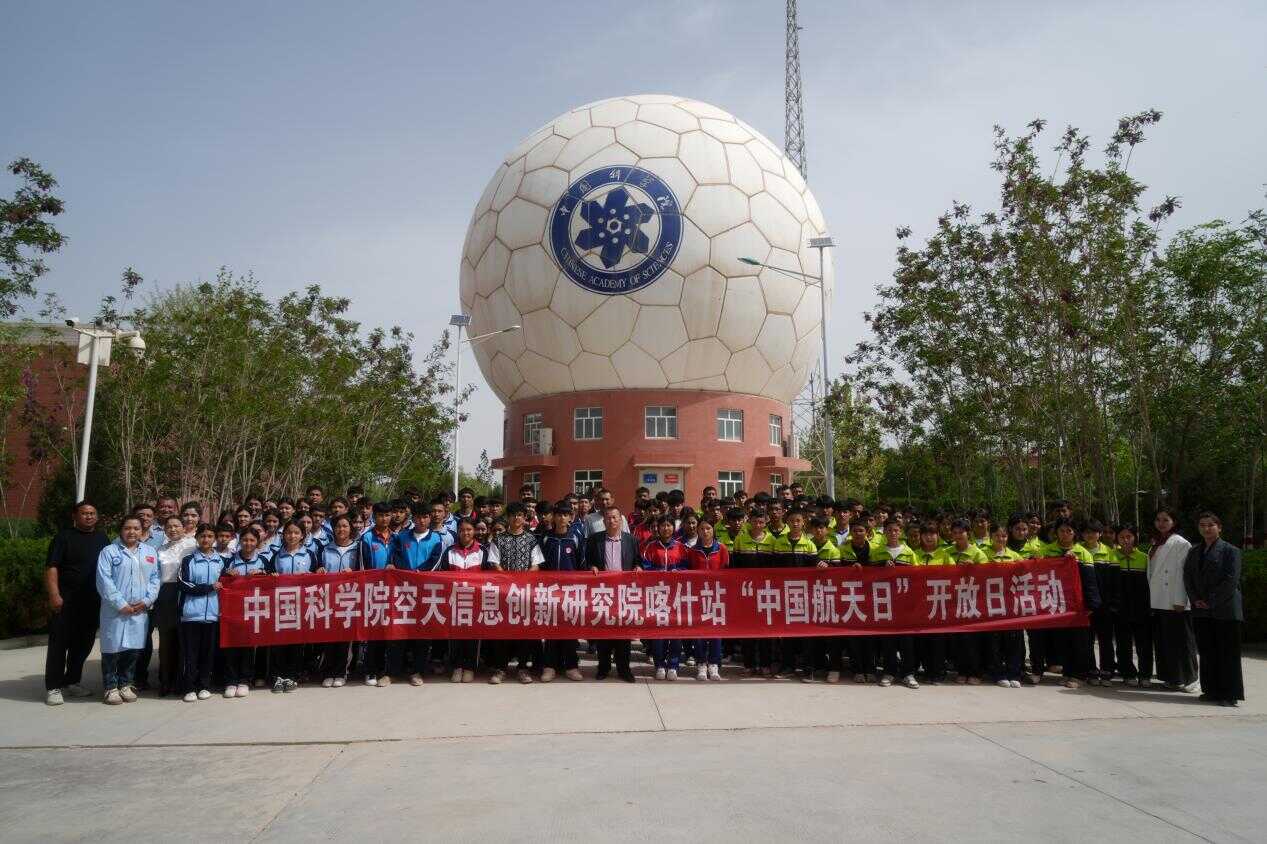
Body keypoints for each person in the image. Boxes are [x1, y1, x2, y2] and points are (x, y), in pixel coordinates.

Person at [44, 500, 109, 705]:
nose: (89, 516)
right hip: (66, 600)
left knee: (83, 643)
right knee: (59, 643)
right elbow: (52, 567)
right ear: (75, 516)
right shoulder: (63, 537)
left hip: (92, 601)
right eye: (84, 513)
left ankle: (72, 681)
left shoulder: (102, 538)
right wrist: (54, 594)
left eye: (92, 513)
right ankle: (53, 687)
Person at [95, 515, 160, 704]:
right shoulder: (109, 551)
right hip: (115, 610)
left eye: (136, 528)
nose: (132, 532)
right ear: (121, 530)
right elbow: (104, 580)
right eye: (127, 528)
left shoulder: (149, 551)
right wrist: (120, 604)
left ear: (142, 531)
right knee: (112, 650)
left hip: (140, 609)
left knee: (133, 650)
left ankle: (126, 684)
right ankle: (110, 687)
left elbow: (155, 579)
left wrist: (147, 601)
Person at [1184, 512, 1244, 707]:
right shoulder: (1194, 551)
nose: (1206, 528)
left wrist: (1211, 601)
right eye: (1202, 525)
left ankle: (1230, 694)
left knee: (1227, 653)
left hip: (1225, 609)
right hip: (1201, 609)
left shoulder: (1230, 551)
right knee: (1207, 652)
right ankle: (1211, 690)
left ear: (1219, 527)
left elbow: (1231, 580)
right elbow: (1188, 577)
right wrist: (1195, 599)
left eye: (1210, 525)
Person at [384, 505, 443, 686]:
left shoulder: (436, 539)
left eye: (425, 517)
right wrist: (406, 574)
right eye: (418, 517)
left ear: (429, 518)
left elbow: (435, 562)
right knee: (398, 631)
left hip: (426, 592)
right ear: (413, 518)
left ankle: (418, 672)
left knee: (422, 634)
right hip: (403, 591)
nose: (422, 520)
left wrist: (417, 573)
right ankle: (392, 672)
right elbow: (395, 558)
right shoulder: (401, 537)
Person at [138, 514, 193, 695]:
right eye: (169, 526)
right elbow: (153, 575)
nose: (173, 529)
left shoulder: (192, 546)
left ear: (184, 528)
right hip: (165, 595)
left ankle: (181, 681)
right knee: (166, 640)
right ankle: (165, 680)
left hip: (187, 593)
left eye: (176, 525)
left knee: (183, 640)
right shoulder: (160, 550)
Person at [490, 502, 544, 684]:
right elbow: (494, 563)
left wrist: (521, 581)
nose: (516, 518)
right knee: (502, 632)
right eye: (513, 515)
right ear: (508, 517)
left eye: (520, 514)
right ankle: (500, 669)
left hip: (524, 593)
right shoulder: (498, 539)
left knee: (524, 632)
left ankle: (522, 668)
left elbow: (536, 565)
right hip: (503, 594)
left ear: (524, 517)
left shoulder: (531, 539)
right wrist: (508, 581)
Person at [439, 518, 498, 682]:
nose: (466, 533)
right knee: (455, 636)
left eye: (469, 530)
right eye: (462, 530)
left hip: (476, 601)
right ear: (458, 532)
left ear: (474, 531)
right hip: (454, 601)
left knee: (473, 636)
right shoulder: (449, 551)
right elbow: (442, 576)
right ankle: (457, 666)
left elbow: (489, 577)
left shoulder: (483, 551)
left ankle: (470, 667)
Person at [585, 505, 638, 682]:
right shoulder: (594, 540)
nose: (611, 520)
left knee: (623, 633)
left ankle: (624, 669)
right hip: (603, 592)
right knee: (604, 633)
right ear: (604, 521)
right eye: (608, 518)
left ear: (621, 520)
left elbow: (637, 561)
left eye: (615, 517)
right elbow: (587, 561)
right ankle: (603, 667)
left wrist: (638, 567)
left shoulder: (631, 540)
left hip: (624, 593)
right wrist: (591, 567)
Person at [1148, 507, 1197, 691]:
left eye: (1165, 520)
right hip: (1158, 599)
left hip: (1174, 601)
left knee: (1183, 642)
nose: (1161, 523)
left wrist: (1181, 600)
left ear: (1174, 522)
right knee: (1165, 642)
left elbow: (1184, 573)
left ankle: (1191, 679)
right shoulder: (1156, 543)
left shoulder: (1181, 543)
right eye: (1158, 519)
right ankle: (1172, 677)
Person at [265, 520, 317, 692]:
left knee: (297, 642)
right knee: (278, 641)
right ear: (283, 535)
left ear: (302, 535)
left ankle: (292, 675)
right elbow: (268, 579)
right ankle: (278, 676)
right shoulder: (277, 556)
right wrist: (271, 577)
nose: (292, 536)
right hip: (281, 605)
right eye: (288, 532)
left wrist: (314, 574)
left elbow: (318, 578)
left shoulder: (309, 555)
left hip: (302, 605)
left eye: (296, 533)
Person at [177, 524, 224, 702]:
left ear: (215, 539)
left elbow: (226, 582)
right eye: (203, 536)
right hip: (191, 614)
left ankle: (204, 685)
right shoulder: (188, 560)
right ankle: (189, 687)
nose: (206, 539)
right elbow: (183, 584)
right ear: (197, 538)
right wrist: (209, 588)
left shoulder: (220, 561)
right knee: (190, 653)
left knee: (207, 653)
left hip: (212, 614)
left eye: (210, 536)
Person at [539, 504, 584, 682]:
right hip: (549, 591)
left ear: (570, 517)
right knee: (551, 630)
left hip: (570, 592)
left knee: (569, 629)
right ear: (553, 517)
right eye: (558, 515)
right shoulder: (546, 538)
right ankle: (549, 666)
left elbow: (581, 564)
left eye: (565, 515)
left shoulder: (576, 537)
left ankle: (571, 666)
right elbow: (540, 564)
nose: (562, 518)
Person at [222, 526, 267, 697]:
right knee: (232, 645)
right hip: (233, 610)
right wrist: (228, 575)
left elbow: (273, 580)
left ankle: (244, 680)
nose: (248, 543)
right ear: (239, 541)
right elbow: (220, 580)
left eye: (252, 540)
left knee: (248, 646)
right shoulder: (229, 560)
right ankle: (231, 680)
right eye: (245, 540)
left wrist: (262, 573)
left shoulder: (263, 560)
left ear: (257, 542)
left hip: (254, 610)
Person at [641, 516, 687, 680]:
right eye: (663, 526)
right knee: (658, 632)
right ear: (658, 528)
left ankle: (673, 665)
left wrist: (677, 572)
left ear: (673, 528)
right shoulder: (650, 547)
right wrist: (658, 573)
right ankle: (659, 664)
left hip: (676, 595)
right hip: (657, 595)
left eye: (669, 525)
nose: (666, 528)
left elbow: (687, 568)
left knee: (675, 631)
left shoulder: (681, 547)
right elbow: (645, 568)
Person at [686, 519, 728, 681]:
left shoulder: (721, 548)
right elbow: (689, 572)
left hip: (717, 595)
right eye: (702, 529)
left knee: (716, 632)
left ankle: (714, 664)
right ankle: (701, 663)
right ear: (698, 531)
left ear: (713, 530)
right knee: (700, 632)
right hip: (699, 596)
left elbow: (727, 571)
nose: (705, 531)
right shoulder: (693, 551)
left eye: (708, 528)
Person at [1113, 524, 1153, 686]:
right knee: (1123, 642)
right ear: (1117, 538)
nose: (1125, 540)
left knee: (1144, 643)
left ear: (1135, 538)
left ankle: (1145, 674)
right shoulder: (1111, 556)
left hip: (1141, 607)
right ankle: (1127, 673)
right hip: (1120, 608)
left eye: (1129, 536)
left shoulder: (1145, 557)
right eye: (1122, 537)